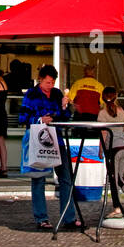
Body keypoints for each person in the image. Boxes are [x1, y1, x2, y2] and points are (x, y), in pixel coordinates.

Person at [19, 64, 75, 231]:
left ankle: (69, 217)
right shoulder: (31, 94)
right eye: (48, 83)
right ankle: (41, 218)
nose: (50, 86)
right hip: (39, 140)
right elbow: (22, 118)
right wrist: (39, 119)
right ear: (41, 80)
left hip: (56, 139)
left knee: (66, 178)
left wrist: (65, 107)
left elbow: (66, 118)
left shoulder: (57, 94)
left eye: (52, 83)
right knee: (38, 178)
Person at [99, 86, 124, 216]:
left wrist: (100, 150)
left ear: (103, 98)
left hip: (112, 149)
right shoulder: (122, 112)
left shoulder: (102, 114)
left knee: (113, 179)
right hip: (123, 148)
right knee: (120, 177)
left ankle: (117, 208)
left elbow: (103, 134)